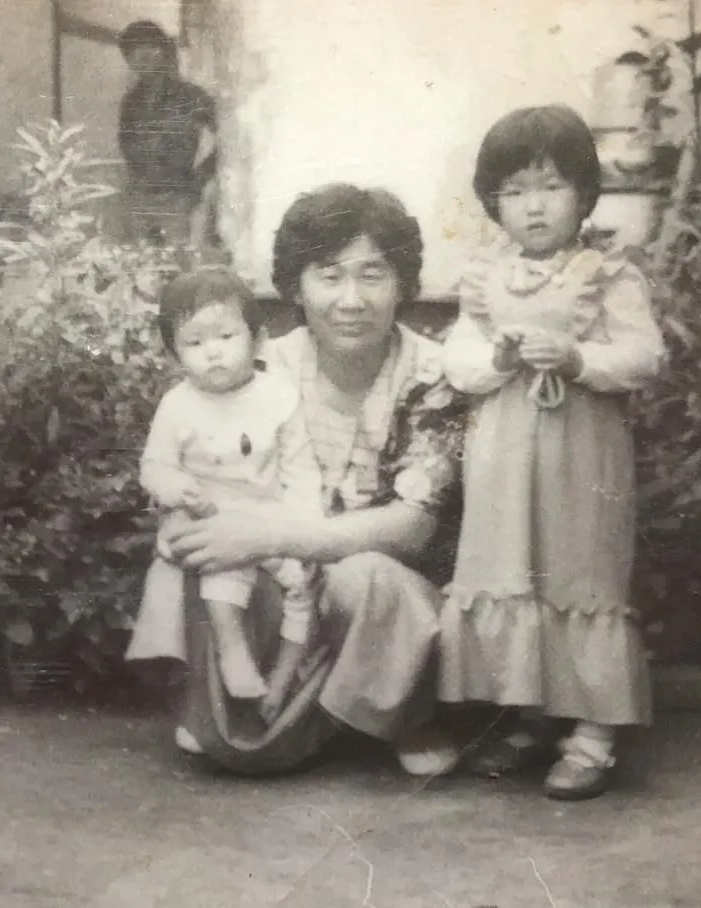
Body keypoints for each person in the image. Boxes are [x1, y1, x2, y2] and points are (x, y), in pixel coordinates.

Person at [125, 184, 467, 778]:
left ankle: (405, 717)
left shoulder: (434, 376)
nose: (352, 300)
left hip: (388, 581)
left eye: (373, 275)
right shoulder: (260, 368)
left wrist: (272, 536)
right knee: (195, 552)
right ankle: (241, 711)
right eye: (329, 276)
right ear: (297, 287)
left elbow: (412, 527)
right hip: (279, 572)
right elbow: (197, 460)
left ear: (402, 285)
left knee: (364, 578)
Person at [438, 105, 667, 800]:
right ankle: (531, 712)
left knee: (580, 571)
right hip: (505, 456)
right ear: (493, 202)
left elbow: (644, 355)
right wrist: (499, 358)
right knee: (515, 567)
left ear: (585, 194)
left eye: (551, 186)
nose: (533, 206)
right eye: (514, 191)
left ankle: (594, 731)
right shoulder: (486, 279)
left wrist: (577, 358)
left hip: (580, 454)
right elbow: (459, 362)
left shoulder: (606, 274)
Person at [137, 267, 320, 717]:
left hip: (267, 515)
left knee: (304, 584)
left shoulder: (279, 397)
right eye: (194, 343)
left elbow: (300, 471)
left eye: (225, 336)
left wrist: (306, 532)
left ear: (257, 340)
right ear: (175, 354)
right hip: (207, 514)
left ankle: (284, 677)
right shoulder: (178, 405)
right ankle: (231, 647)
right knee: (222, 564)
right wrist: (177, 487)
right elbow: (154, 466)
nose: (213, 352)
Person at [117, 20, 218, 248]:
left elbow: (227, 138)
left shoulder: (192, 96)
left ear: (163, 52)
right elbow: (126, 144)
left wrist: (200, 178)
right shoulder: (130, 102)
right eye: (132, 52)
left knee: (177, 260)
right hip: (140, 198)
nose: (141, 57)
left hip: (179, 198)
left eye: (149, 48)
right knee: (142, 262)